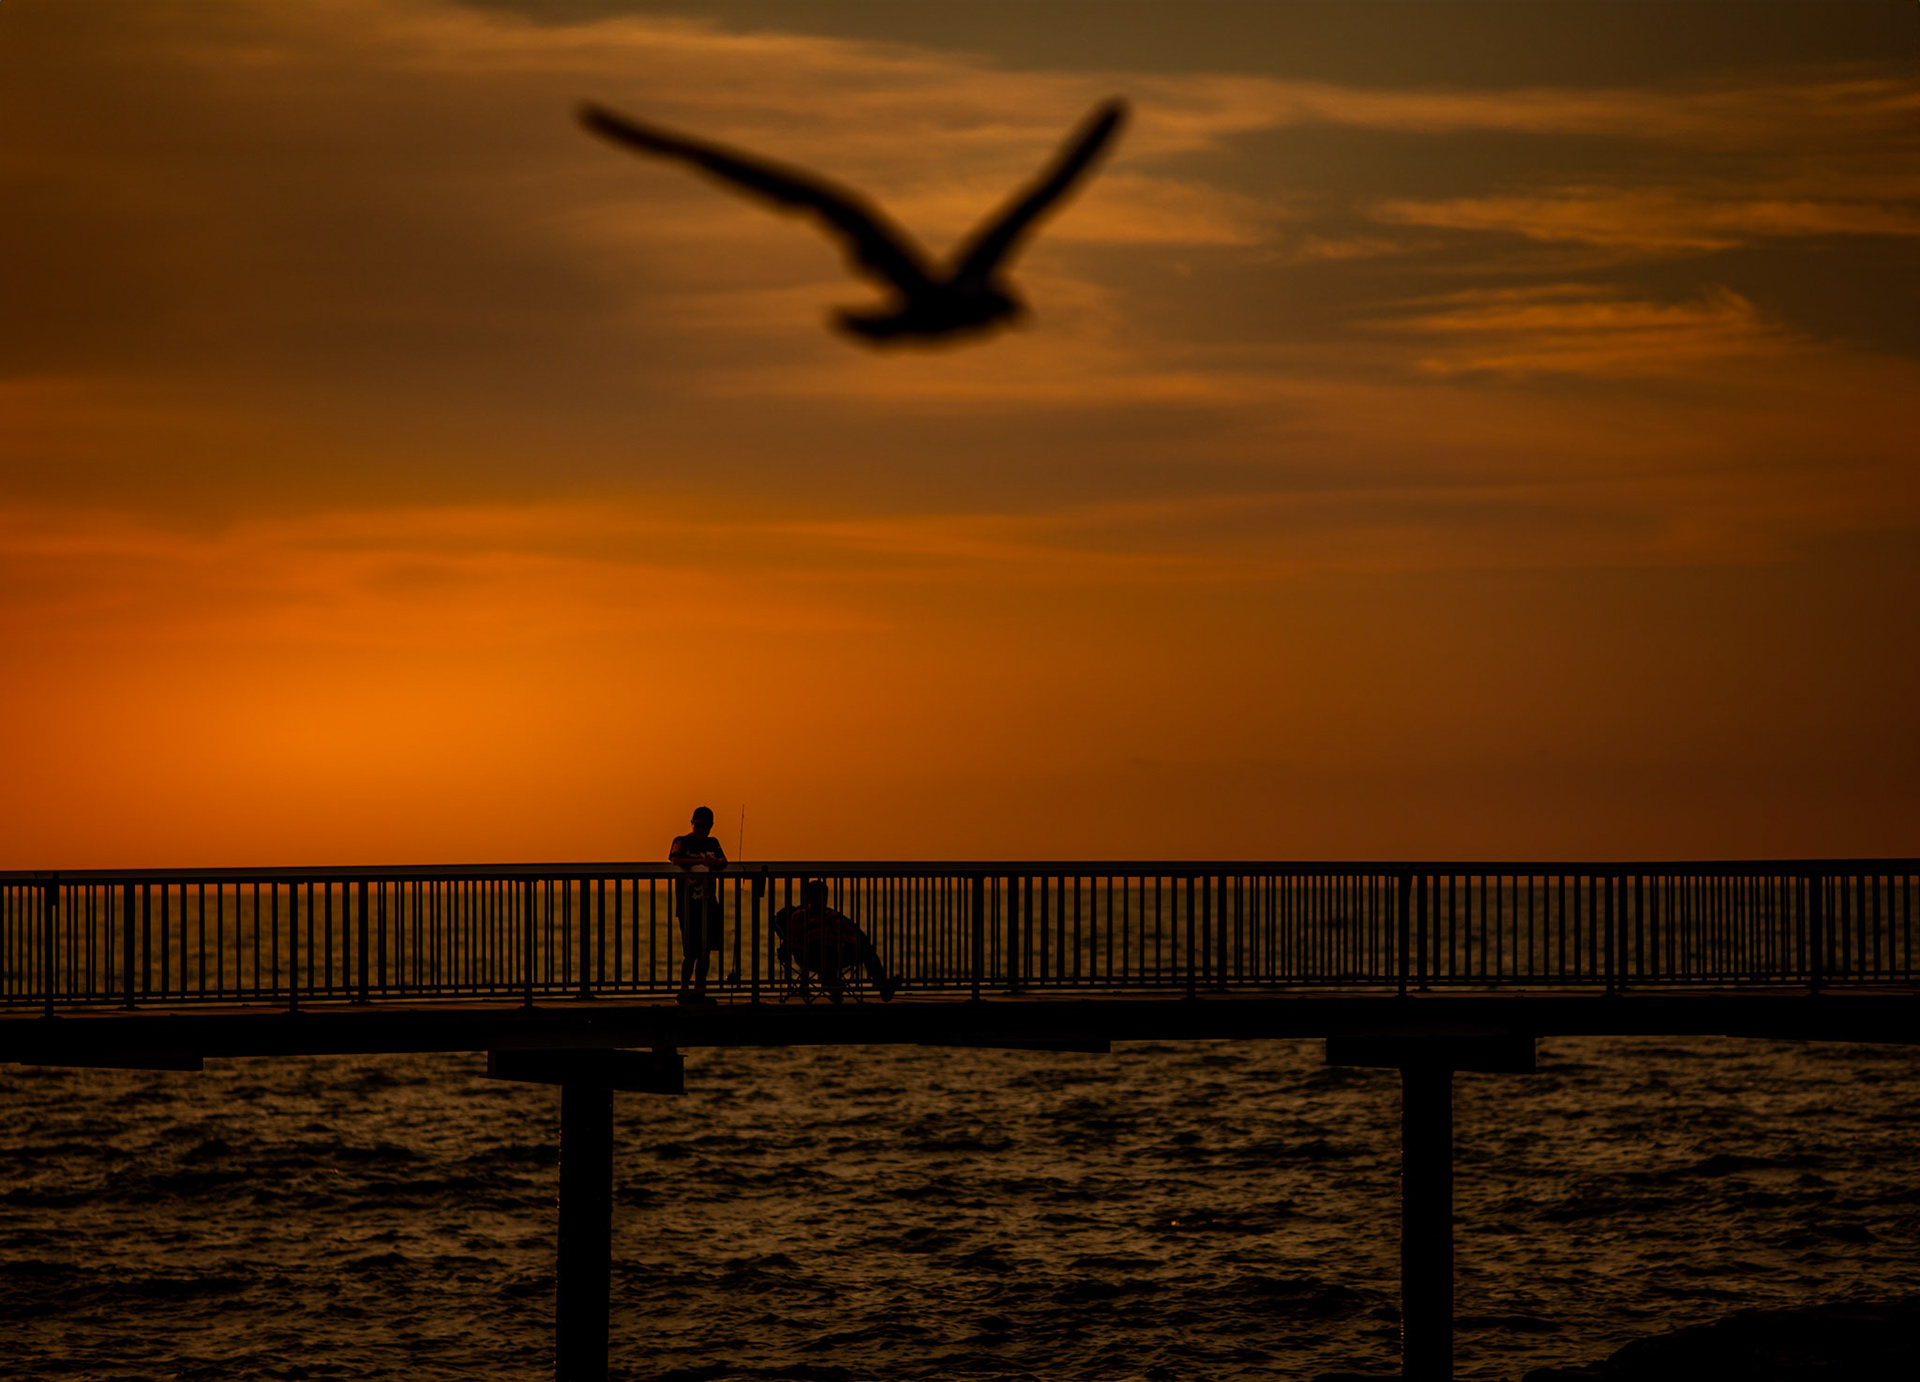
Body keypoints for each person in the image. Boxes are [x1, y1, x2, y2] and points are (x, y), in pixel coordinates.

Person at [772, 879, 899, 1003]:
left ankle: (881, 985)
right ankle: (833, 986)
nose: (821, 900)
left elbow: (851, 933)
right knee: (827, 950)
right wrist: (801, 949)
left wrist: (849, 941)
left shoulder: (832, 914)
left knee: (866, 949)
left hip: (838, 950)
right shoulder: (800, 915)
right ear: (809, 898)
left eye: (823, 896)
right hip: (812, 954)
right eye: (817, 896)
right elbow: (793, 937)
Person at [669, 806, 727, 1003]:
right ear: (692, 823)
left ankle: (700, 990)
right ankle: (684, 989)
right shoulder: (682, 841)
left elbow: (722, 860)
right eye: (699, 825)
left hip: (709, 904)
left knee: (706, 950)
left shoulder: (713, 842)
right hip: (688, 907)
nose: (702, 829)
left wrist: (714, 863)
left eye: (706, 826)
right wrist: (702, 861)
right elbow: (674, 859)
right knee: (690, 952)